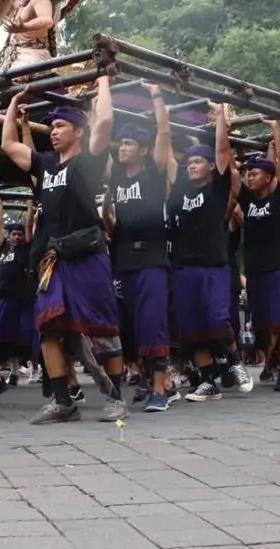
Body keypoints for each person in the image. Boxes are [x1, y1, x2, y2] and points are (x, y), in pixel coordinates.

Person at [0, 77, 127, 424]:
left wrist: (103, 82)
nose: (53, 132)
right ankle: (62, 401)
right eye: (52, 126)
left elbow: (105, 122)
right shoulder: (45, 164)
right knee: (48, 327)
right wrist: (13, 102)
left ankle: (115, 398)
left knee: (101, 326)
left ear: (79, 132)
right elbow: (9, 143)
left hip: (88, 254)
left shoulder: (88, 161)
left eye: (60, 126)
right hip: (53, 260)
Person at [168, 107, 251, 403]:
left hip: (213, 266)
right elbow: (166, 157)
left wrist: (219, 120)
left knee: (217, 321)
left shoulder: (216, 190)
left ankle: (234, 361)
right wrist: (162, 121)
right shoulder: (180, 192)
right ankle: (207, 382)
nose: (191, 166)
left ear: (209, 166)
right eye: (189, 162)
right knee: (192, 329)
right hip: (184, 268)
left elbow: (223, 151)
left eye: (198, 162)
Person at [105, 87, 175, 411]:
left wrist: (157, 95)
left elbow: (164, 131)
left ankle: (162, 388)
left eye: (129, 143)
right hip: (123, 261)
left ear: (144, 150)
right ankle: (151, 383)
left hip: (151, 257)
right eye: (121, 142)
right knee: (131, 325)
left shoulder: (154, 173)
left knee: (153, 322)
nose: (122, 147)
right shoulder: (117, 180)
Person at [237, 123, 280, 393]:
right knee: (263, 326)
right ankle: (273, 361)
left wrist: (276, 129)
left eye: (255, 173)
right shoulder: (248, 202)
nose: (249, 177)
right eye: (248, 173)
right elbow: (226, 167)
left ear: (269, 177)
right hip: (256, 271)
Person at [0, 204, 35, 387]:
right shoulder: (3, 249)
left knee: (14, 338)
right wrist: (0, 207)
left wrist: (30, 205)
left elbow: (29, 225)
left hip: (16, 299)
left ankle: (14, 373)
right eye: (13, 234)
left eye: (19, 234)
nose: (16, 237)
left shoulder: (25, 251)